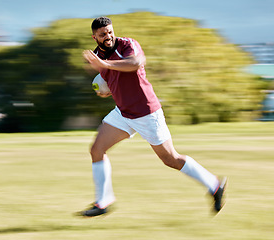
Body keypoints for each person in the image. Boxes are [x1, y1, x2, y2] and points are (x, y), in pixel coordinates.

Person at [77, 17, 227, 217]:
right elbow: (111, 78)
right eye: (103, 34)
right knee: (97, 149)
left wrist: (104, 64)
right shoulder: (97, 56)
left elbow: (135, 63)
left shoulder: (127, 44)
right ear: (94, 36)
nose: (108, 37)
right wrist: (106, 88)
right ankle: (103, 202)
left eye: (110, 32)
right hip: (123, 113)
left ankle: (215, 185)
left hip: (147, 113)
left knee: (170, 159)